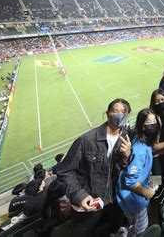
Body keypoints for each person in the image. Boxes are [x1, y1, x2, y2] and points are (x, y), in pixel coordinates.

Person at [57, 99, 132, 236]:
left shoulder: (127, 137)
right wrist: (79, 196)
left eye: (123, 112)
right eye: (115, 111)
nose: (119, 115)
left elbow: (121, 169)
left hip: (113, 201)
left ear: (128, 115)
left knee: (110, 229)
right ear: (108, 113)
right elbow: (64, 171)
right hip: (89, 204)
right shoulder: (87, 140)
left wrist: (127, 156)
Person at [116, 109, 160, 236]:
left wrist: (154, 184)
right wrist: (147, 192)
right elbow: (131, 181)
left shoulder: (144, 141)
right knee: (140, 230)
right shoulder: (140, 149)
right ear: (141, 125)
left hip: (137, 196)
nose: (152, 124)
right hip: (133, 200)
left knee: (135, 224)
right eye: (148, 122)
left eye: (154, 121)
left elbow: (149, 168)